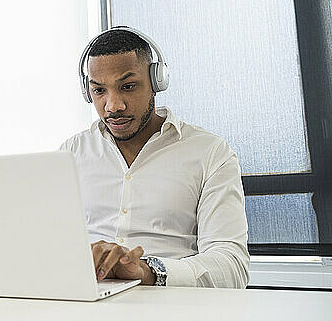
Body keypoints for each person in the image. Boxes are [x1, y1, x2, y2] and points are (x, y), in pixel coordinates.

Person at [60, 27, 249, 288]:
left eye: (128, 86)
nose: (113, 106)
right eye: (99, 91)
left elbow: (232, 268)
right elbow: (50, 247)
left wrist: (148, 272)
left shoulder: (210, 152)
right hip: (87, 302)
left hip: (171, 304)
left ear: (157, 81)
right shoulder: (72, 152)